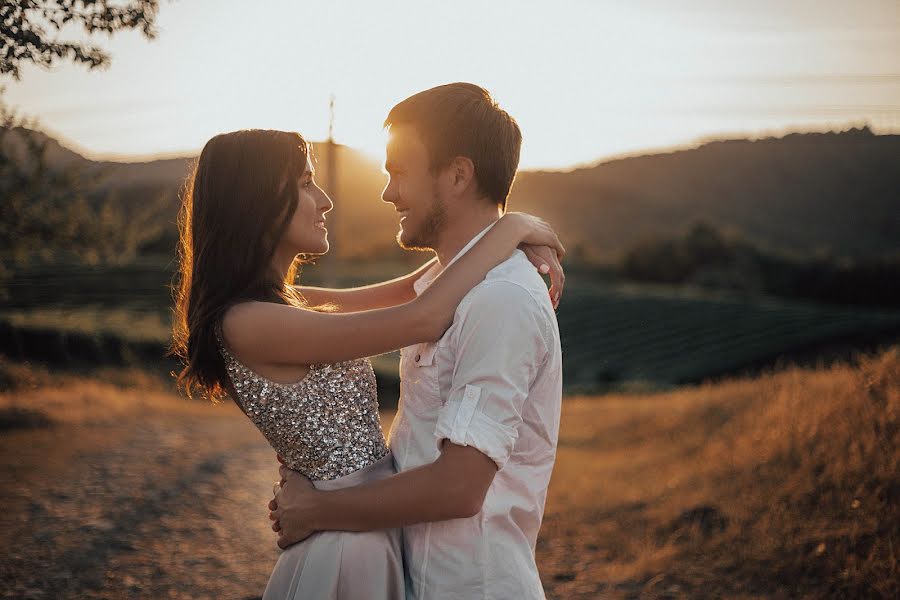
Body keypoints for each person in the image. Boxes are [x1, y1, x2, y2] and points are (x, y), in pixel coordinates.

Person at [170, 127, 565, 599]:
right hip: (345, 540)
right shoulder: (249, 323)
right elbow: (423, 315)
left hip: (362, 525)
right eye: (304, 182)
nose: (324, 200)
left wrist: (507, 237)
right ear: (253, 201)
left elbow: (414, 288)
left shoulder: (288, 308)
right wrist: (513, 227)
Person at [270, 83, 564, 599]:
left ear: (456, 175)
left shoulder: (502, 301)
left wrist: (316, 510)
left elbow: (459, 487)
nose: (387, 193)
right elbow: (303, 312)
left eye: (399, 172)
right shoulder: (440, 284)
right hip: (416, 578)